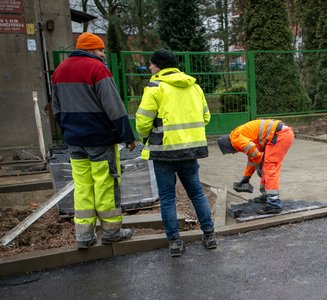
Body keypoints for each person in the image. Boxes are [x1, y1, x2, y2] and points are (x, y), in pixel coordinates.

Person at [51, 32, 136, 249]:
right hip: (99, 139)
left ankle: (84, 236)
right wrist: (127, 135)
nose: (103, 54)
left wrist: (69, 130)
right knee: (105, 184)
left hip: (74, 139)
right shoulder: (97, 68)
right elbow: (114, 106)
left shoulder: (59, 71)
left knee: (82, 187)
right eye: (100, 50)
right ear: (90, 50)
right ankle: (111, 232)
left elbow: (57, 109)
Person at [135, 49, 215, 257]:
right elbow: (206, 117)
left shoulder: (155, 87)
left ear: (159, 66)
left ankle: (175, 243)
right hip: (191, 150)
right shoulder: (194, 86)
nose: (150, 67)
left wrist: (145, 137)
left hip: (164, 152)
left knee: (168, 198)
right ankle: (209, 235)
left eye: (152, 64)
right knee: (196, 192)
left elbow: (143, 121)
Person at [217, 119, 294, 215]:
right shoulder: (238, 135)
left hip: (280, 135)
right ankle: (267, 196)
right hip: (279, 134)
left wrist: (260, 160)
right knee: (264, 167)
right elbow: (252, 158)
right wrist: (246, 177)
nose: (232, 153)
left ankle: (274, 205)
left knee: (269, 168)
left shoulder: (235, 140)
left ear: (228, 145)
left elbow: (253, 152)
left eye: (230, 151)